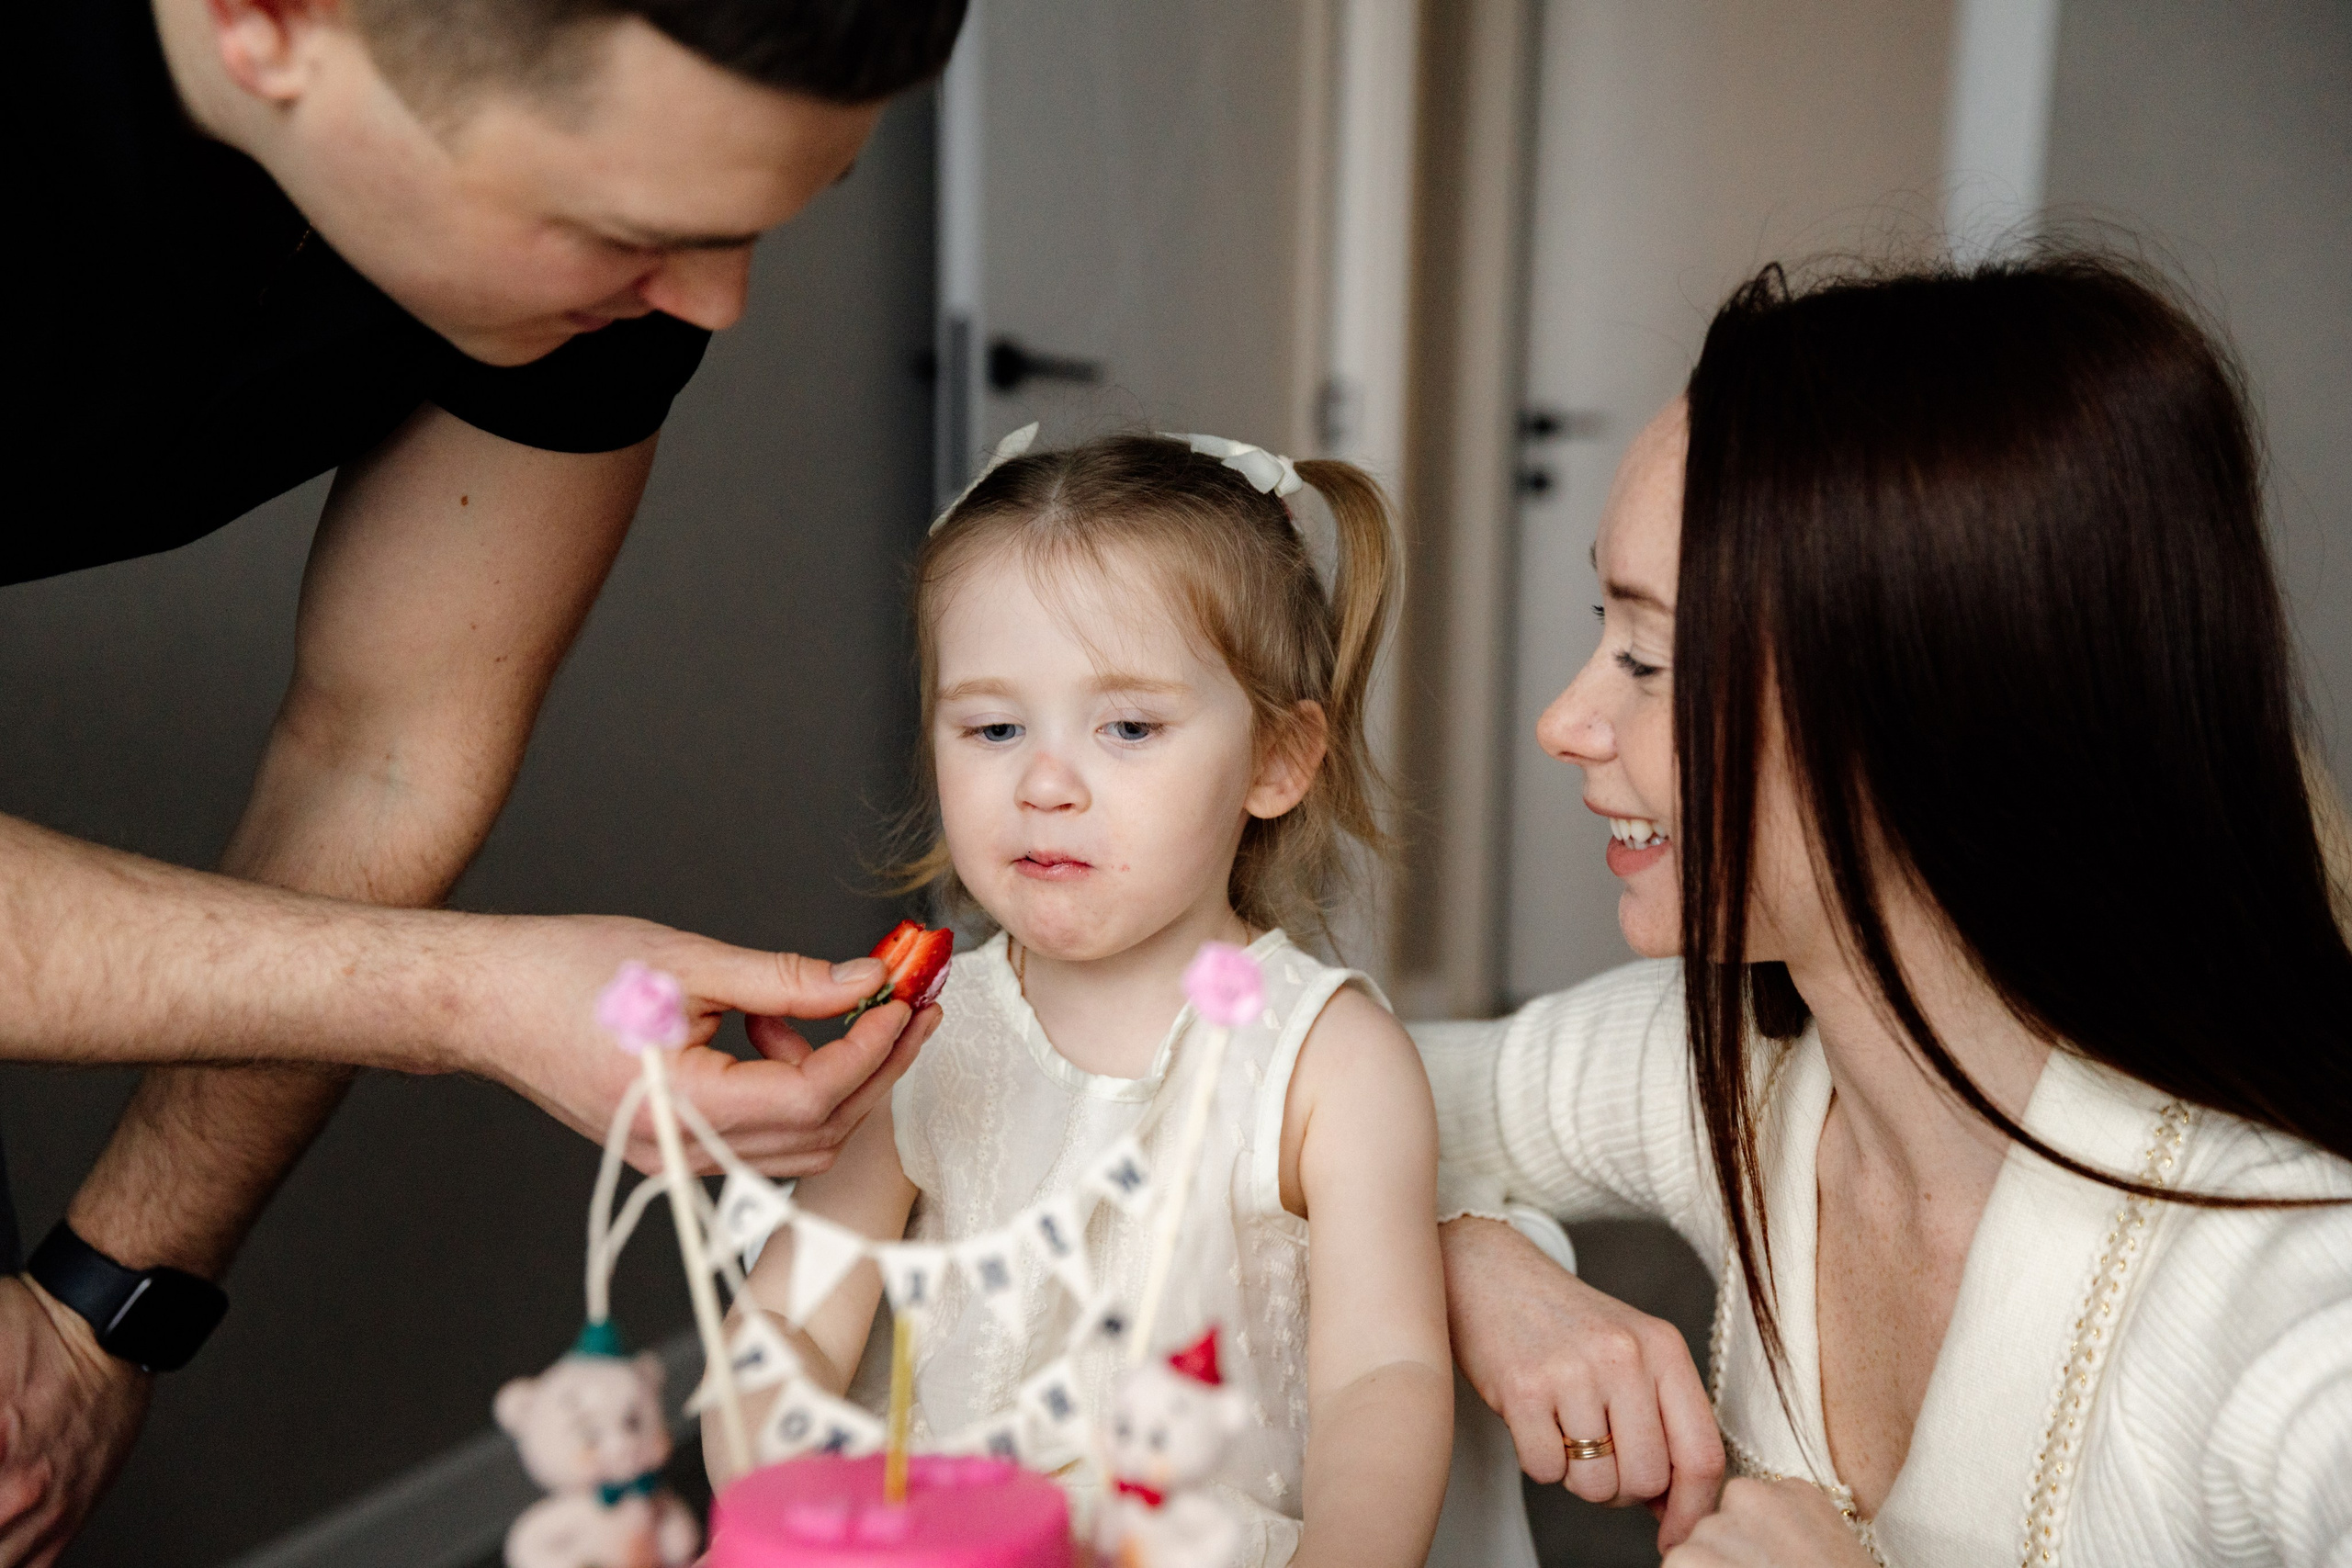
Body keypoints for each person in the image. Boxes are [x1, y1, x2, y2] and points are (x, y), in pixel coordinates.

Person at [2, 0, 963, 1559]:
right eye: (627, 232)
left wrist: (106, 1302)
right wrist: (463, 997)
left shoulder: (633, 264)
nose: (714, 306)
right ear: (270, 22)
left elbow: (386, 748)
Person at [1423, 256, 2352, 1565]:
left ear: (1933, 713)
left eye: (1648, 656)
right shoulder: (1731, 1068)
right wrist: (1470, 1259)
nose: (1566, 719)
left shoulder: (2291, 1302)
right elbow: (1258, 1076)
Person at [711, 433, 1455, 1567]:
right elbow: (787, 1319)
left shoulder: (1328, 1060)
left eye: (1129, 728)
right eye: (994, 728)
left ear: (1276, 759)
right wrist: (787, 1488)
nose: (1045, 783)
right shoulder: (923, 1036)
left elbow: (1382, 1378)